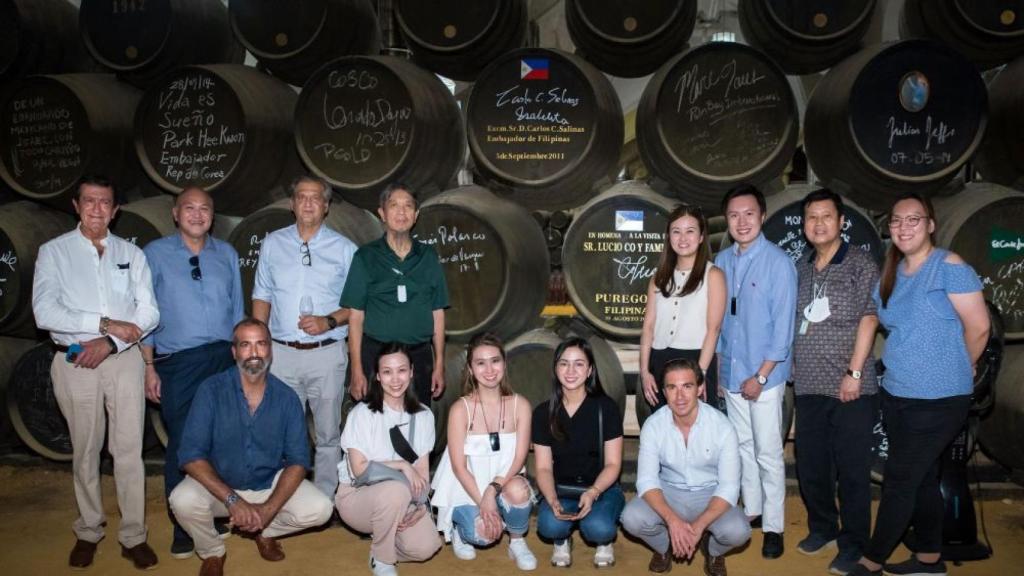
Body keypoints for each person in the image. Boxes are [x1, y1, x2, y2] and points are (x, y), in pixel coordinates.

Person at [849, 194, 989, 576]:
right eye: (897, 220)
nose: (904, 227)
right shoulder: (892, 272)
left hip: (939, 399)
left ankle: (871, 561)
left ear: (930, 225)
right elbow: (878, 319)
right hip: (898, 393)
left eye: (914, 219)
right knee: (923, 478)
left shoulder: (949, 266)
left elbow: (979, 327)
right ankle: (929, 559)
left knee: (899, 481)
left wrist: (961, 365)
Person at [32, 175, 161, 570]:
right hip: (74, 358)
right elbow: (45, 313)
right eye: (89, 201)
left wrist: (109, 343)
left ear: (115, 210)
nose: (97, 209)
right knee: (85, 449)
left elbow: (149, 312)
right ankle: (89, 529)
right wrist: (103, 324)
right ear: (76, 205)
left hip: (123, 360)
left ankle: (133, 534)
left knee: (128, 450)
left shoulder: (131, 254)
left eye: (105, 202)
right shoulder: (53, 252)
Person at [169, 318, 334, 576]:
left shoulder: (287, 398)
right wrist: (233, 500)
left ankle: (264, 530)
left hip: (268, 485)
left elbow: (299, 460)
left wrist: (268, 511)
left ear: (271, 350)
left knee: (321, 509)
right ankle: (212, 552)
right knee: (181, 500)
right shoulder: (211, 390)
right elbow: (190, 455)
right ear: (234, 352)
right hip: (220, 488)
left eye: (261, 344)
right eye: (246, 345)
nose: (254, 352)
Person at [142, 186, 244, 558]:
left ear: (213, 216)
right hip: (179, 363)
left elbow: (237, 310)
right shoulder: (154, 254)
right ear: (175, 213)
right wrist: (148, 366)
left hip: (222, 357)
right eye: (189, 208)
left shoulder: (226, 253)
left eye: (204, 209)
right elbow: (144, 313)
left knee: (219, 441)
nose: (197, 214)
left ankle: (211, 515)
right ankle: (183, 529)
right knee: (185, 445)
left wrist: (241, 360)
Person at [791, 189, 880, 575]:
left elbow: (870, 317)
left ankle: (854, 544)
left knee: (852, 471)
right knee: (811, 465)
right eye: (812, 217)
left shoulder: (860, 262)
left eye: (826, 216)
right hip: (808, 385)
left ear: (841, 221)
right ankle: (823, 527)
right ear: (804, 224)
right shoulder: (802, 266)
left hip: (850, 388)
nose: (819, 223)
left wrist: (854, 372)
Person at [252, 175, 357, 498]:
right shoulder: (273, 243)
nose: (308, 203)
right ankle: (287, 497)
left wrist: (329, 321)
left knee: (328, 434)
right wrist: (258, 347)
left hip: (327, 353)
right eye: (302, 197)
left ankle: (324, 500)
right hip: (281, 354)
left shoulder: (344, 249)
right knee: (282, 430)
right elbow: (262, 295)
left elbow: (357, 305)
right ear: (292, 204)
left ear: (326, 206)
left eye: (315, 198)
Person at [714, 184, 797, 559]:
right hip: (732, 372)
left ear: (762, 216)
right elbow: (718, 320)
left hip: (764, 376)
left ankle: (775, 527)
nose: (742, 221)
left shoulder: (778, 263)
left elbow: (783, 331)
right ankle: (753, 509)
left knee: (768, 452)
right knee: (742, 447)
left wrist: (761, 376)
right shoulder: (722, 260)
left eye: (749, 214)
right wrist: (720, 369)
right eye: (734, 215)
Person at [621, 358, 751, 576]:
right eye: (672, 388)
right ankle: (664, 547)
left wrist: (698, 527)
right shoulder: (653, 425)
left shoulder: (722, 426)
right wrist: (673, 522)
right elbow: (646, 481)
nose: (679, 396)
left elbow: (729, 487)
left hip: (710, 493)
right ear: (664, 392)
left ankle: (713, 551)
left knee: (739, 531)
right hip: (669, 491)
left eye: (687, 386)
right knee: (631, 518)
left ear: (699, 389)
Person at [431, 333, 537, 570]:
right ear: (470, 369)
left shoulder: (520, 405)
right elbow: (459, 467)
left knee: (519, 490)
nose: (489, 370)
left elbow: (519, 457)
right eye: (480, 363)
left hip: (502, 482)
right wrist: (484, 502)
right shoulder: (460, 409)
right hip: (465, 488)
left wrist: (492, 491)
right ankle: (459, 529)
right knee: (484, 535)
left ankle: (517, 541)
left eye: (495, 361)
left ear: (504, 364)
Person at [336, 342, 442, 576]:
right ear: (377, 376)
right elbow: (360, 470)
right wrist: (402, 465)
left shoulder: (424, 415)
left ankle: (383, 536)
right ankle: (382, 558)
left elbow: (422, 472)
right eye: (387, 372)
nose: (395, 379)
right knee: (396, 491)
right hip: (356, 496)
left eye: (401, 370)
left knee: (426, 547)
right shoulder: (362, 414)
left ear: (411, 372)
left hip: (403, 497)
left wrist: (420, 505)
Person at [341, 182, 449, 406]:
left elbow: (437, 313)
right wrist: (356, 369)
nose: (401, 212)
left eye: (408, 206)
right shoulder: (365, 257)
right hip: (375, 356)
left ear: (416, 215)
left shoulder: (428, 256)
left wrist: (439, 364)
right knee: (374, 420)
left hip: (419, 357)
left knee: (417, 420)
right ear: (382, 213)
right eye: (394, 205)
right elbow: (356, 317)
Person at [532, 337, 624, 568]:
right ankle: (562, 540)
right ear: (556, 369)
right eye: (564, 363)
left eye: (579, 364)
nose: (570, 371)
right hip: (562, 488)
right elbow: (543, 467)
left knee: (598, 528)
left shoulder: (606, 408)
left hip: (601, 488)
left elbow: (613, 464)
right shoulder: (543, 413)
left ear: (590, 370)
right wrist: (551, 498)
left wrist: (593, 492)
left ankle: (604, 542)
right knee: (549, 525)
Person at [640, 203, 727, 411]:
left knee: (698, 427)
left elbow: (714, 329)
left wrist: (701, 374)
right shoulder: (658, 278)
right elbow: (648, 327)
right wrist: (644, 371)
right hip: (659, 361)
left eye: (690, 231)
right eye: (676, 231)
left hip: (696, 360)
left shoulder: (713, 275)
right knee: (663, 424)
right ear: (668, 237)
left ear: (701, 237)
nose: (682, 238)